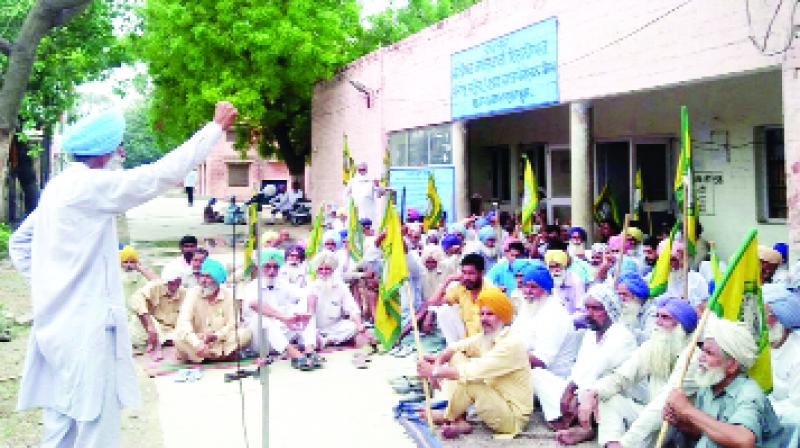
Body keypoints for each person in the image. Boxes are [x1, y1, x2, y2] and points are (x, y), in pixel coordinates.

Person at [8, 101, 238, 447]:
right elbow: (158, 175)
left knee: (59, 427)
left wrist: (51, 285)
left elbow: (20, 243)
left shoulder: (59, 186)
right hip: (86, 332)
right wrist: (215, 129)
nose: (122, 153)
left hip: (56, 328)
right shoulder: (89, 186)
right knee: (96, 426)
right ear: (104, 152)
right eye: (119, 147)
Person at [571, 297, 698, 446]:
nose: (657, 322)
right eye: (657, 316)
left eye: (665, 317)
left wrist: (626, 442)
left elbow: (664, 404)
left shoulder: (693, 358)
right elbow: (622, 377)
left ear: (681, 325)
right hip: (652, 416)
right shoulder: (653, 346)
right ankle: (611, 444)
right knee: (607, 398)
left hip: (677, 426)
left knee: (653, 418)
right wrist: (592, 392)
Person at [416, 287, 533, 439]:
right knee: (457, 357)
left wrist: (434, 371)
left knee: (471, 382)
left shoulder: (511, 344)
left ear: (502, 316)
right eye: (481, 314)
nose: (484, 319)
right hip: (494, 401)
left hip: (512, 418)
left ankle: (448, 417)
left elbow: (473, 370)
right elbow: (453, 348)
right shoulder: (487, 336)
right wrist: (437, 363)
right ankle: (459, 419)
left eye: (490, 314)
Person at [662, 315, 783, 447]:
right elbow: (706, 432)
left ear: (732, 365)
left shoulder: (749, 393)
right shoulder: (708, 386)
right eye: (702, 351)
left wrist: (687, 409)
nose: (700, 358)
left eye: (709, 353)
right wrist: (680, 423)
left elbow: (744, 440)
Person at [532, 284, 637, 431]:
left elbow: (596, 370)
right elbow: (579, 368)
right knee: (537, 374)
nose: (589, 313)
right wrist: (569, 391)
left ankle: (582, 424)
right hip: (582, 391)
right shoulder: (590, 333)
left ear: (610, 310)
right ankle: (567, 416)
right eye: (587, 308)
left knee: (593, 393)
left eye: (596, 309)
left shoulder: (622, 336)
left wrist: (572, 393)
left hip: (607, 394)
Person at [244, 249, 318, 370]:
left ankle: (310, 350)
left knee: (307, 309)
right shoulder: (252, 286)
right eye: (267, 267)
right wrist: (283, 317)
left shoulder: (283, 284)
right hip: (261, 341)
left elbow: (310, 294)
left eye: (275, 267)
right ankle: (295, 355)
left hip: (282, 335)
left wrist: (308, 313)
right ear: (259, 268)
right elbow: (255, 304)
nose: (272, 271)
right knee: (261, 317)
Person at [512, 263, 579, 382]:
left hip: (551, 378)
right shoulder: (529, 306)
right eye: (525, 286)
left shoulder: (555, 314)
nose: (527, 291)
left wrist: (505, 356)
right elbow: (512, 337)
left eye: (533, 287)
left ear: (546, 290)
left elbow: (540, 360)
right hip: (526, 370)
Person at [175, 258, 252, 363]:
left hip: (220, 339)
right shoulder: (193, 294)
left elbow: (233, 323)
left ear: (217, 279)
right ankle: (220, 356)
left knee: (245, 334)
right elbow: (184, 322)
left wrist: (216, 336)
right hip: (198, 339)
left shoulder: (229, 295)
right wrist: (197, 343)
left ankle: (206, 356)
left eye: (208, 277)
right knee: (177, 338)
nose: (203, 281)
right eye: (202, 276)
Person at [307, 252, 370, 348]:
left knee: (353, 327)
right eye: (321, 269)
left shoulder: (341, 287)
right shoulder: (310, 286)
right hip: (314, 328)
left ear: (332, 270)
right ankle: (322, 340)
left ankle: (325, 340)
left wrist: (359, 325)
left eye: (327, 269)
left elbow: (352, 308)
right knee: (304, 333)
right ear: (316, 270)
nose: (324, 272)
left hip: (335, 327)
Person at [428, 253, 492, 345]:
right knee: (443, 311)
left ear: (481, 273)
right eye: (464, 272)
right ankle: (453, 347)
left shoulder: (490, 290)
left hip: (486, 339)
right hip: (467, 339)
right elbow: (433, 303)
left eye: (471, 273)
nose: (466, 277)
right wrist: (448, 280)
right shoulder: (462, 287)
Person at [764, 285, 800, 446]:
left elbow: (796, 404)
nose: (765, 321)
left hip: (790, 415)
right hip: (769, 406)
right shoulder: (766, 344)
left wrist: (764, 408)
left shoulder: (797, 353)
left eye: (768, 316)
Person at [128, 264, 188, 359]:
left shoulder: (183, 292)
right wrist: (150, 326)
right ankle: (156, 345)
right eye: (171, 283)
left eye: (177, 282)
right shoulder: (154, 286)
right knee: (142, 319)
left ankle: (161, 343)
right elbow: (136, 299)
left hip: (169, 330)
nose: (174, 286)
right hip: (149, 326)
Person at [616, 272, 656, 343]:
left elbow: (649, 339)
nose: (621, 298)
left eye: (625, 294)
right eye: (619, 294)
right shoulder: (626, 308)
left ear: (637, 295)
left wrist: (624, 329)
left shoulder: (653, 312)